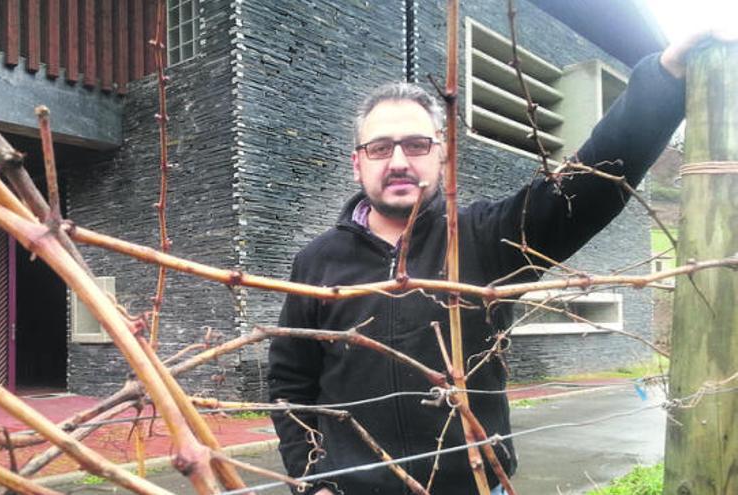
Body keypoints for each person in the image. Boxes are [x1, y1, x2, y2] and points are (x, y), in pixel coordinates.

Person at [268, 34, 716, 495]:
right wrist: (310, 480)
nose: (398, 160)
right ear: (357, 163)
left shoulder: (485, 236)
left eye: (417, 144)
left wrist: (663, 80)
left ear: (442, 153)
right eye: (380, 148)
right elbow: (290, 383)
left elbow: (583, 193)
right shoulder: (315, 263)